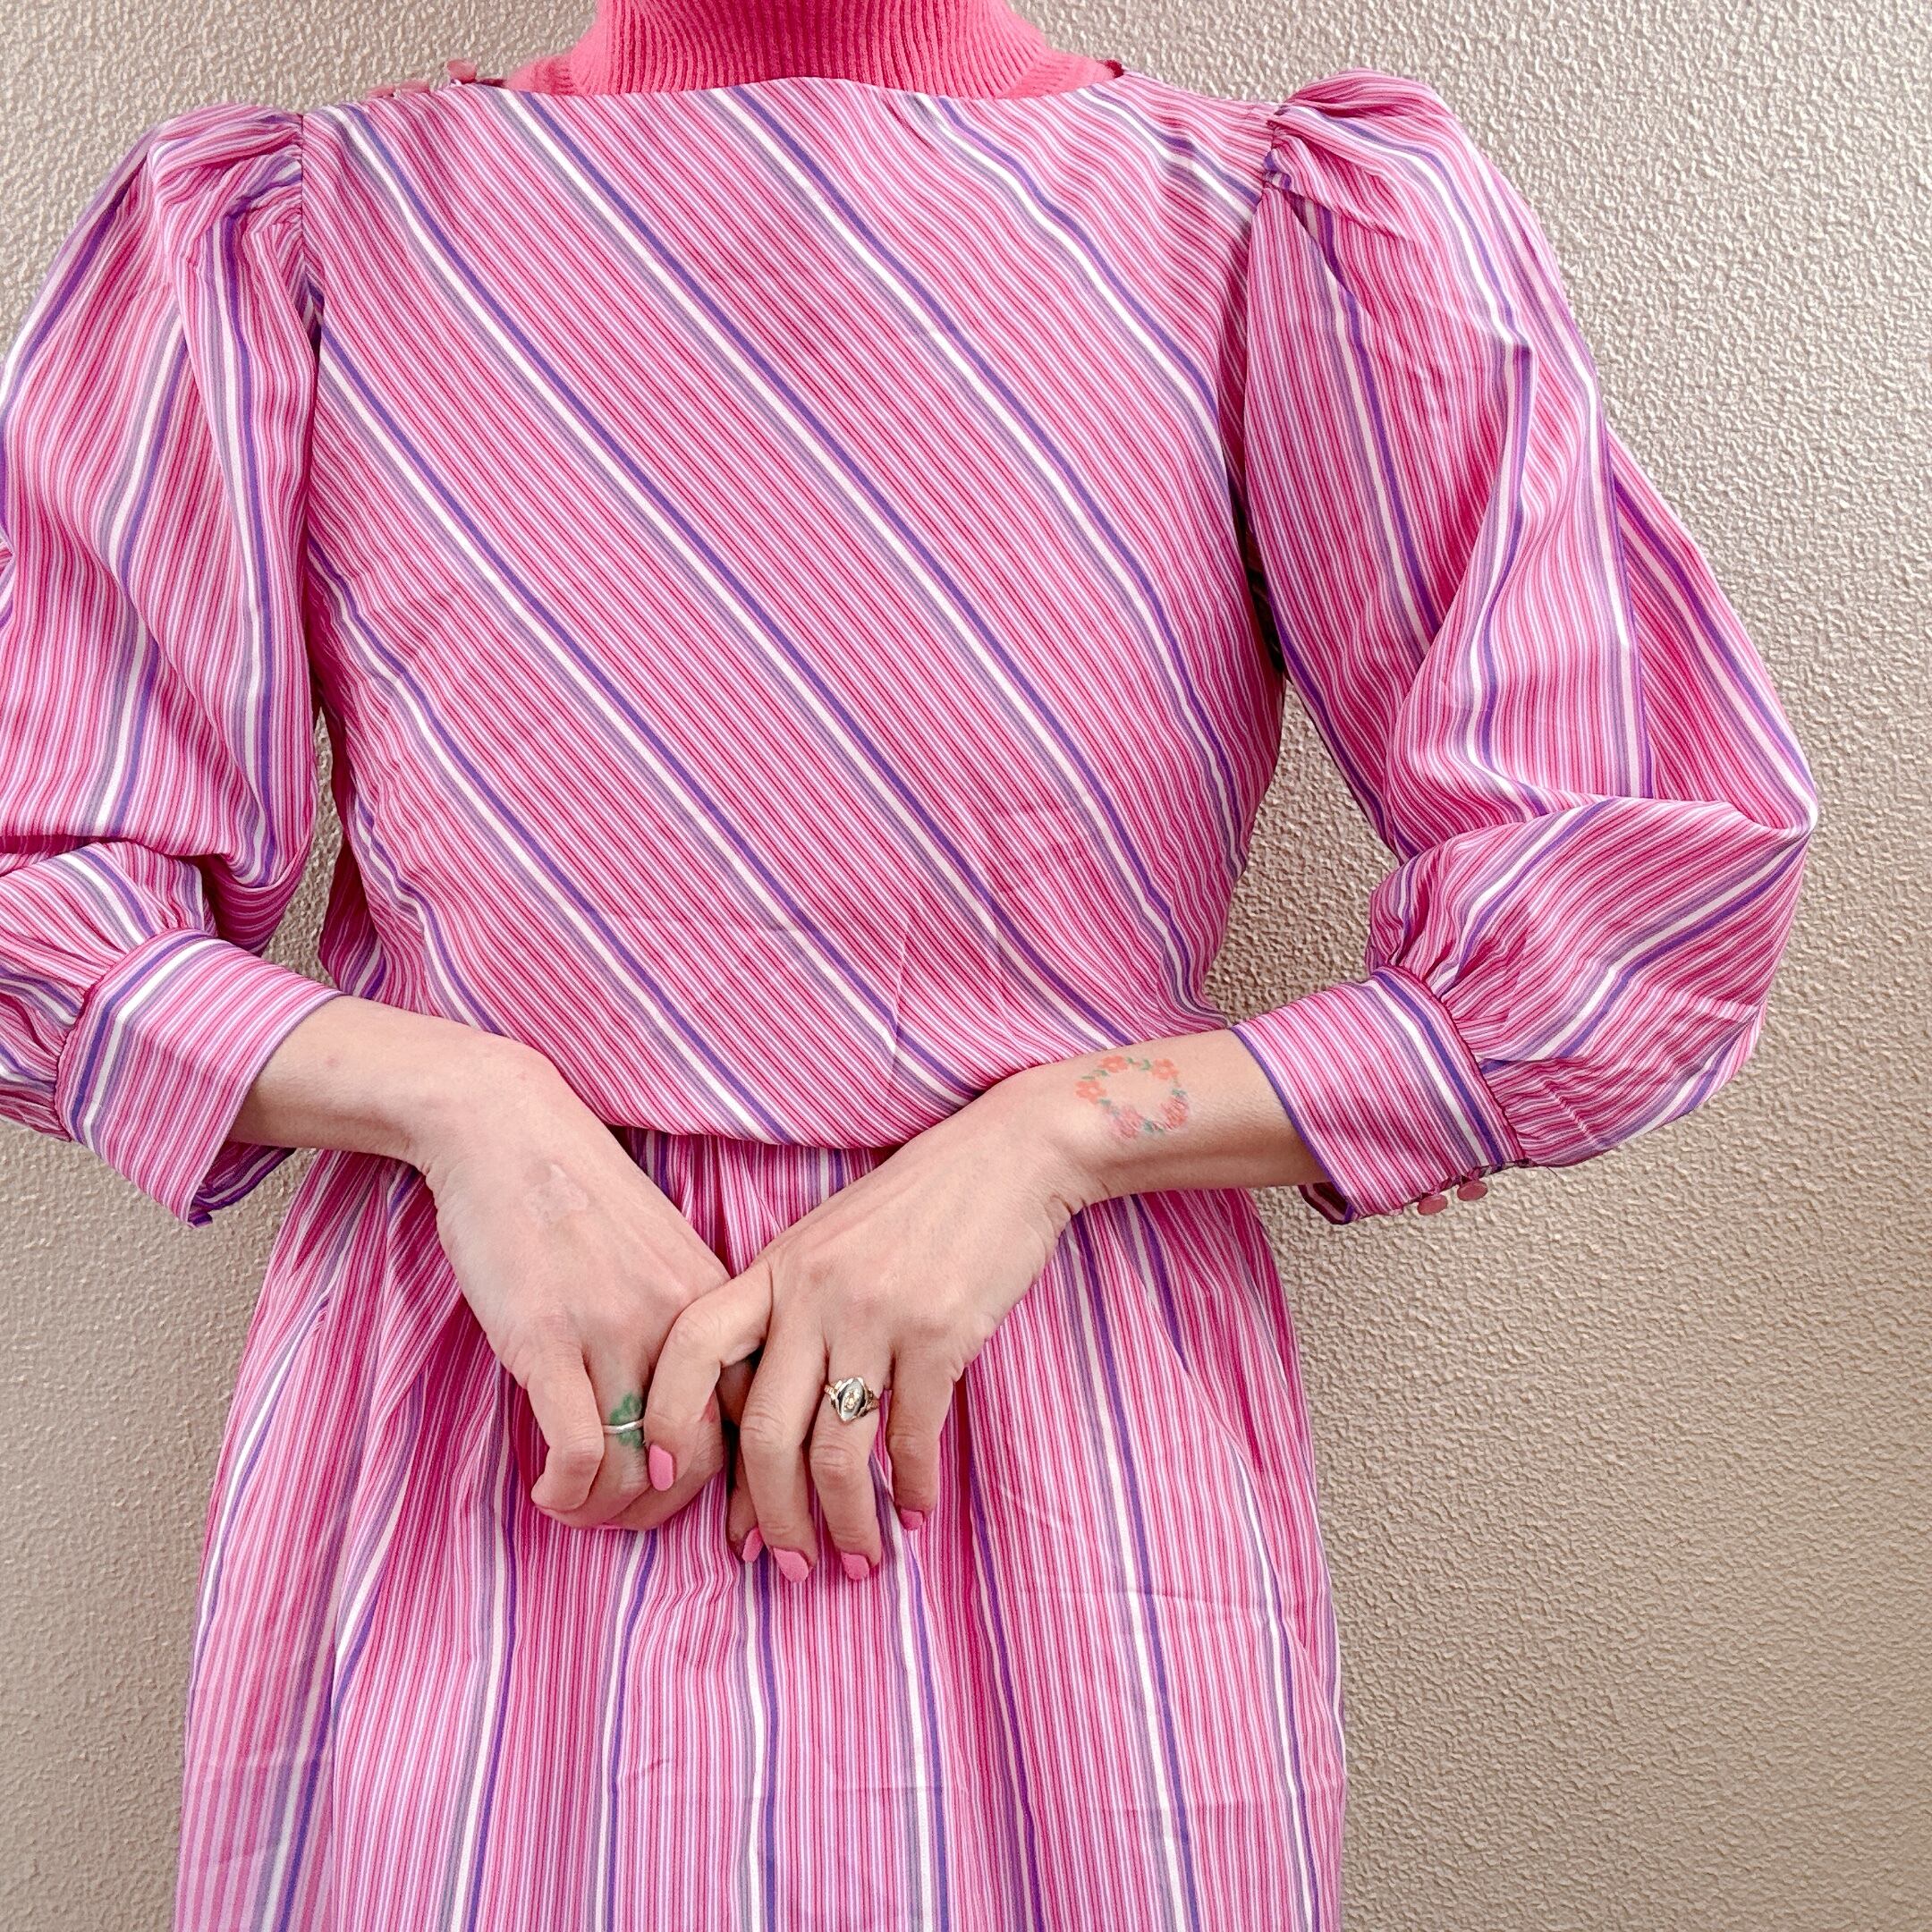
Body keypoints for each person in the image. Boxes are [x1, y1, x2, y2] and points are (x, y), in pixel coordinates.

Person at [0, 1, 1818, 1926]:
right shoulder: (286, 241)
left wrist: (1055, 1137)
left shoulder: (1284, 236)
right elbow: (39, 883)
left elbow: (1634, 895)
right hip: (494, 1415)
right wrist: (463, 1104)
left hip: (1041, 1440)